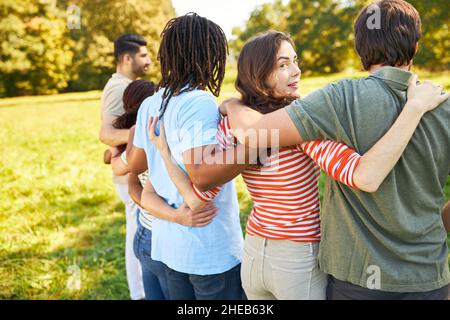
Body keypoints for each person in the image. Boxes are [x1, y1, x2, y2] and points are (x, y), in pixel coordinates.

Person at [147, 30, 446, 300]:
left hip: (254, 255)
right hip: (296, 258)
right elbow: (359, 174)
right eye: (283, 64)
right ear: (259, 75)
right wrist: (414, 108)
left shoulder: (230, 129)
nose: (297, 70)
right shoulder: (302, 131)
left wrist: (164, 153)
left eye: (295, 60)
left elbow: (195, 199)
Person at [222, 0, 450, 299]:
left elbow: (254, 134)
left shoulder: (339, 98)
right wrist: (434, 227)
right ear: (417, 47)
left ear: (360, 48)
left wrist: (232, 103)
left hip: (358, 279)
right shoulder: (443, 107)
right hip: (429, 277)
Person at [127, 13, 245, 300]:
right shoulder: (199, 101)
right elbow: (201, 175)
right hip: (209, 252)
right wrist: (249, 153)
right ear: (208, 56)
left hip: (170, 246)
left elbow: (138, 167)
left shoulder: (151, 103)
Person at [99, 33, 150, 300]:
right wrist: (142, 137)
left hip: (130, 168)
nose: (149, 60)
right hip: (129, 174)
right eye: (143, 55)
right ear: (127, 58)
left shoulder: (126, 84)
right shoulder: (118, 87)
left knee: (140, 231)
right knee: (137, 235)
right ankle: (139, 294)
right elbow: (106, 133)